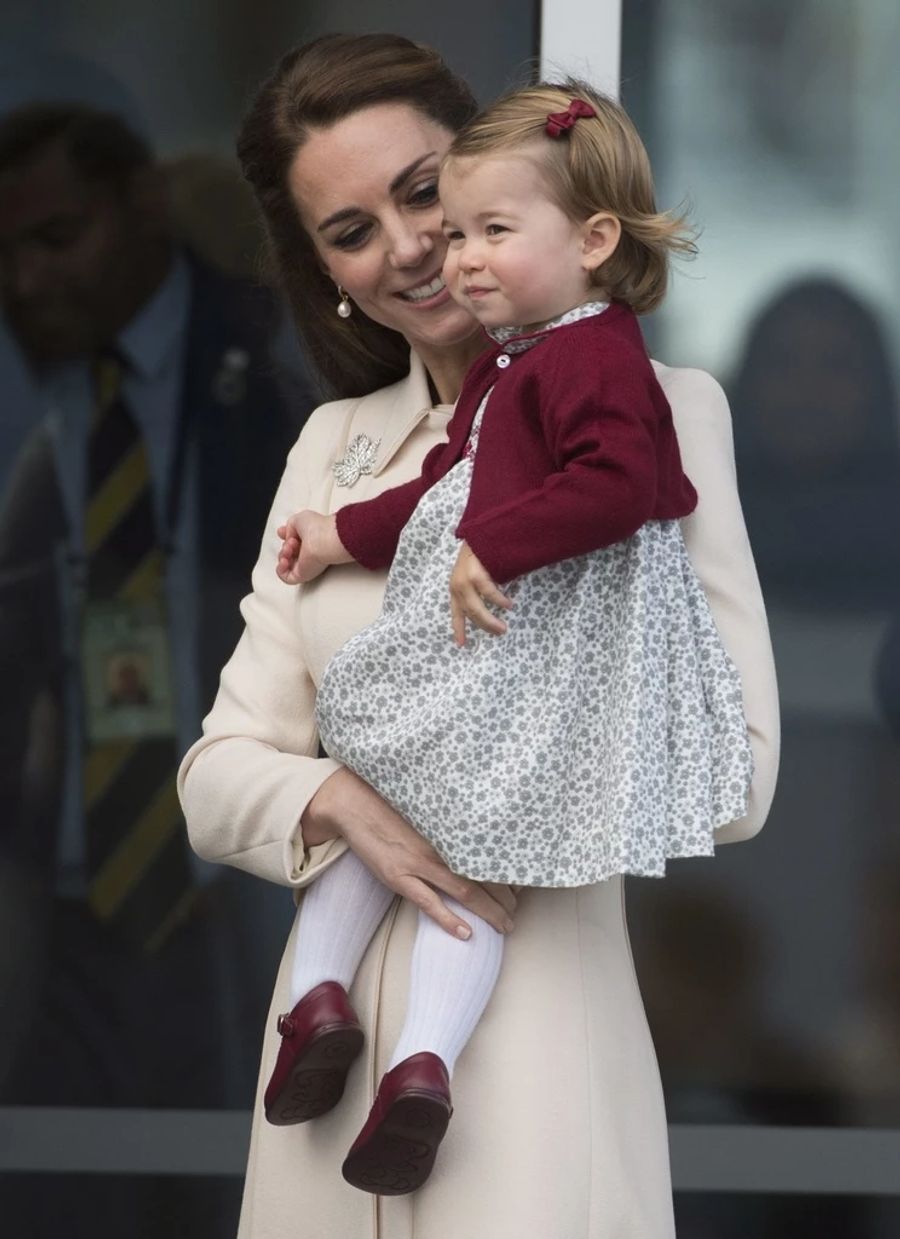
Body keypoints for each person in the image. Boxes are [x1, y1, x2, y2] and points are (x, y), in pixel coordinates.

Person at [178, 32, 780, 1238]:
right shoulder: (332, 455)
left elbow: (741, 778)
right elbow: (215, 778)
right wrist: (347, 804)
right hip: (321, 1117)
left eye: (424, 194)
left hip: (533, 1085)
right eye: (352, 231)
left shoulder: (662, 417)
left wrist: (510, 763)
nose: (412, 248)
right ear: (328, 276)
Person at [0, 102, 313, 1118]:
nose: (30, 279)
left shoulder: (280, 377)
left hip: (251, 861)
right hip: (75, 877)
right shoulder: (51, 416)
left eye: (58, 238)